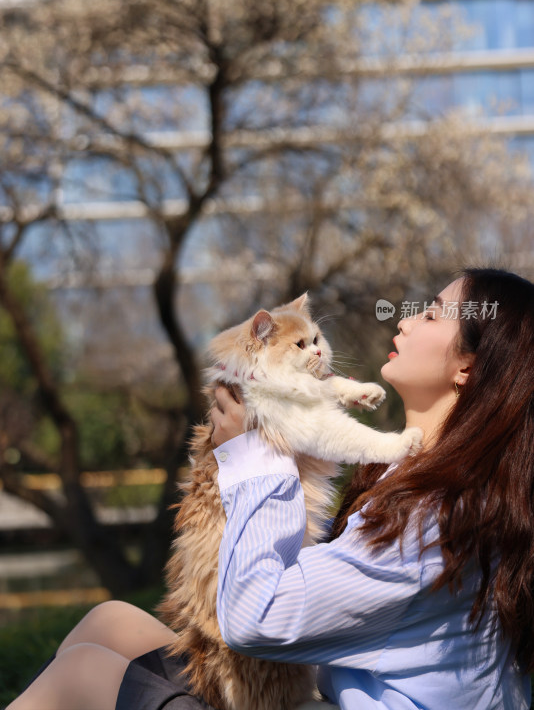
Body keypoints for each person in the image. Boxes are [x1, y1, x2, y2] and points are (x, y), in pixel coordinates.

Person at [7, 268, 533, 710]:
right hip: (328, 691)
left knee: (87, 672)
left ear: (468, 366)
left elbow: (254, 616)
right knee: (111, 620)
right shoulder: (438, 484)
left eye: (432, 313)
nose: (406, 317)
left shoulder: (435, 519)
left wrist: (254, 451)